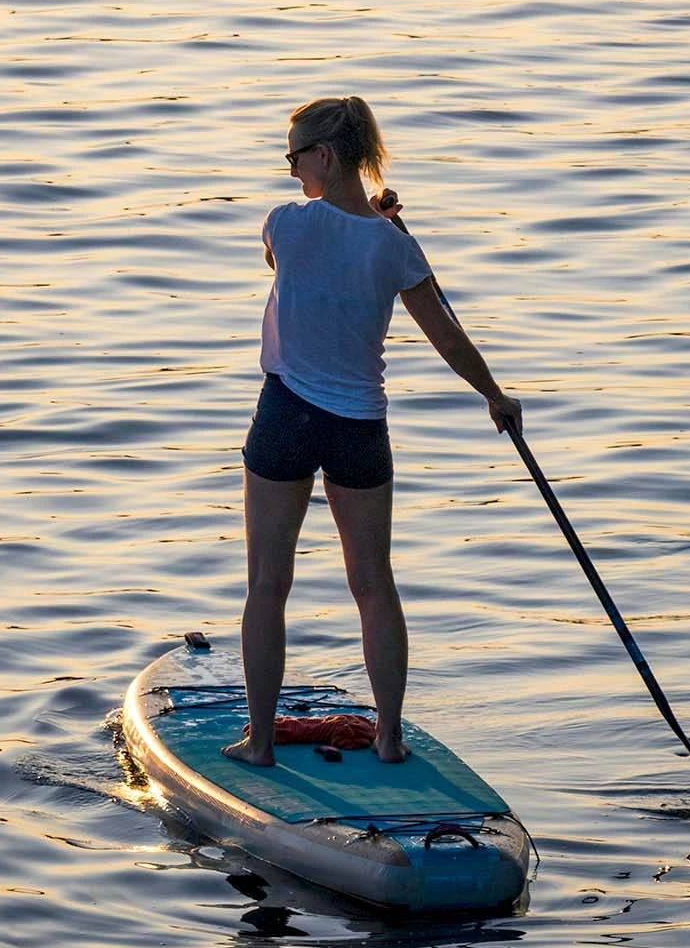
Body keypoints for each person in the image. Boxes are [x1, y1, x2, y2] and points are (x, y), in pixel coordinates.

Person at [221, 96, 523, 768]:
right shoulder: (395, 246)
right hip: (360, 425)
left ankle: (261, 743)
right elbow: (445, 329)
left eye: (295, 154)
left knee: (268, 585)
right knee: (373, 585)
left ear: (324, 156)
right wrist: (493, 395)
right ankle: (388, 739)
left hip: (285, 417)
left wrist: (369, 225)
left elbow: (283, 264)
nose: (290, 166)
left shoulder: (285, 223)